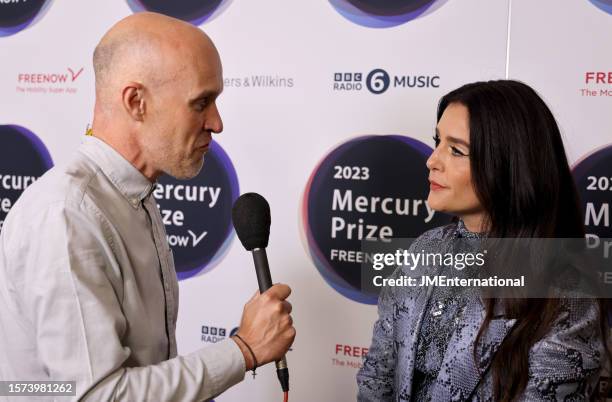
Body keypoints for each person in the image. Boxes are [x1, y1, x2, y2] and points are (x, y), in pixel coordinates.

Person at [0, 12, 295, 401]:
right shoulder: (67, 216)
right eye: (201, 102)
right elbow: (97, 396)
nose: (217, 123)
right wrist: (244, 350)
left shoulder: (130, 193)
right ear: (136, 102)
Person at [357, 80, 610, 401]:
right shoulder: (426, 247)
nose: (432, 160)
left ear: (510, 165)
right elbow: (377, 377)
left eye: (456, 150)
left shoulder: (567, 295)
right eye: (437, 142)